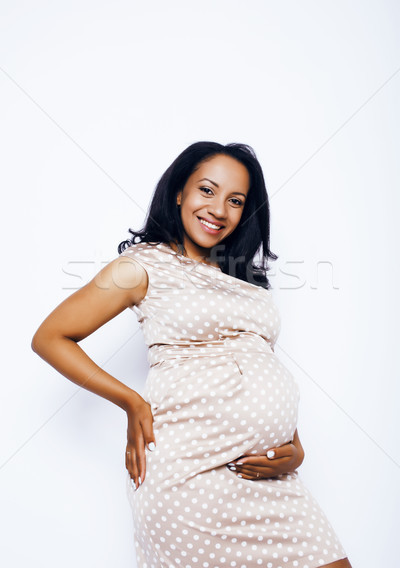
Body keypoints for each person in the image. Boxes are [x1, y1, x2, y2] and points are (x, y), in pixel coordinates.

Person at [31, 141, 352, 568]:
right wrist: (132, 402)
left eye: (235, 201)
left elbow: (256, 363)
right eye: (207, 190)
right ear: (178, 192)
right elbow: (51, 337)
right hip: (189, 478)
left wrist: (294, 445)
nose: (219, 209)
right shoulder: (144, 266)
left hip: (271, 480)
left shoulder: (243, 279)